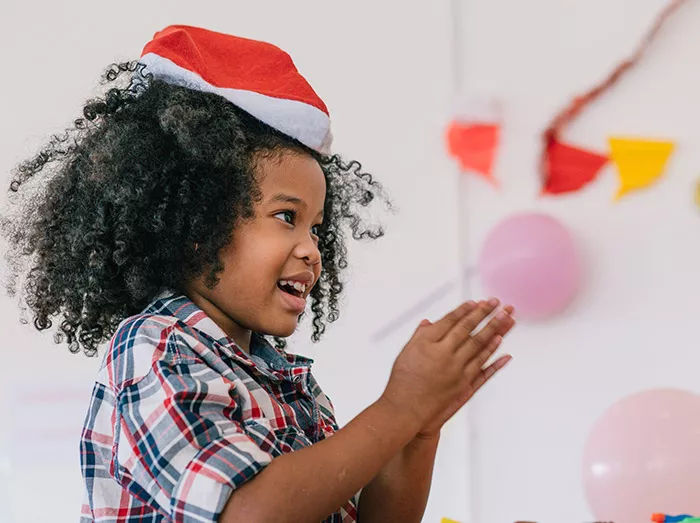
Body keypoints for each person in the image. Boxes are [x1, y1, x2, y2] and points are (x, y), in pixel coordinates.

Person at [0, 24, 516, 523]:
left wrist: (419, 430)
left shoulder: (287, 379)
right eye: (287, 217)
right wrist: (398, 408)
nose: (312, 250)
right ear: (198, 222)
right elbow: (248, 513)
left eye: (317, 228)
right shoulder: (154, 348)